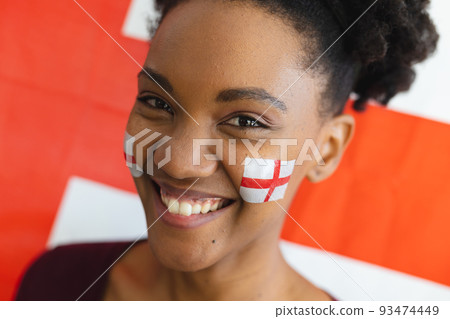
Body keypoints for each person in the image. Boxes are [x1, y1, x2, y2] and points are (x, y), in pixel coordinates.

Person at [15, 0, 438, 301]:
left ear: (325, 150)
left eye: (247, 122)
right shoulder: (57, 283)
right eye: (157, 102)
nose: (179, 161)